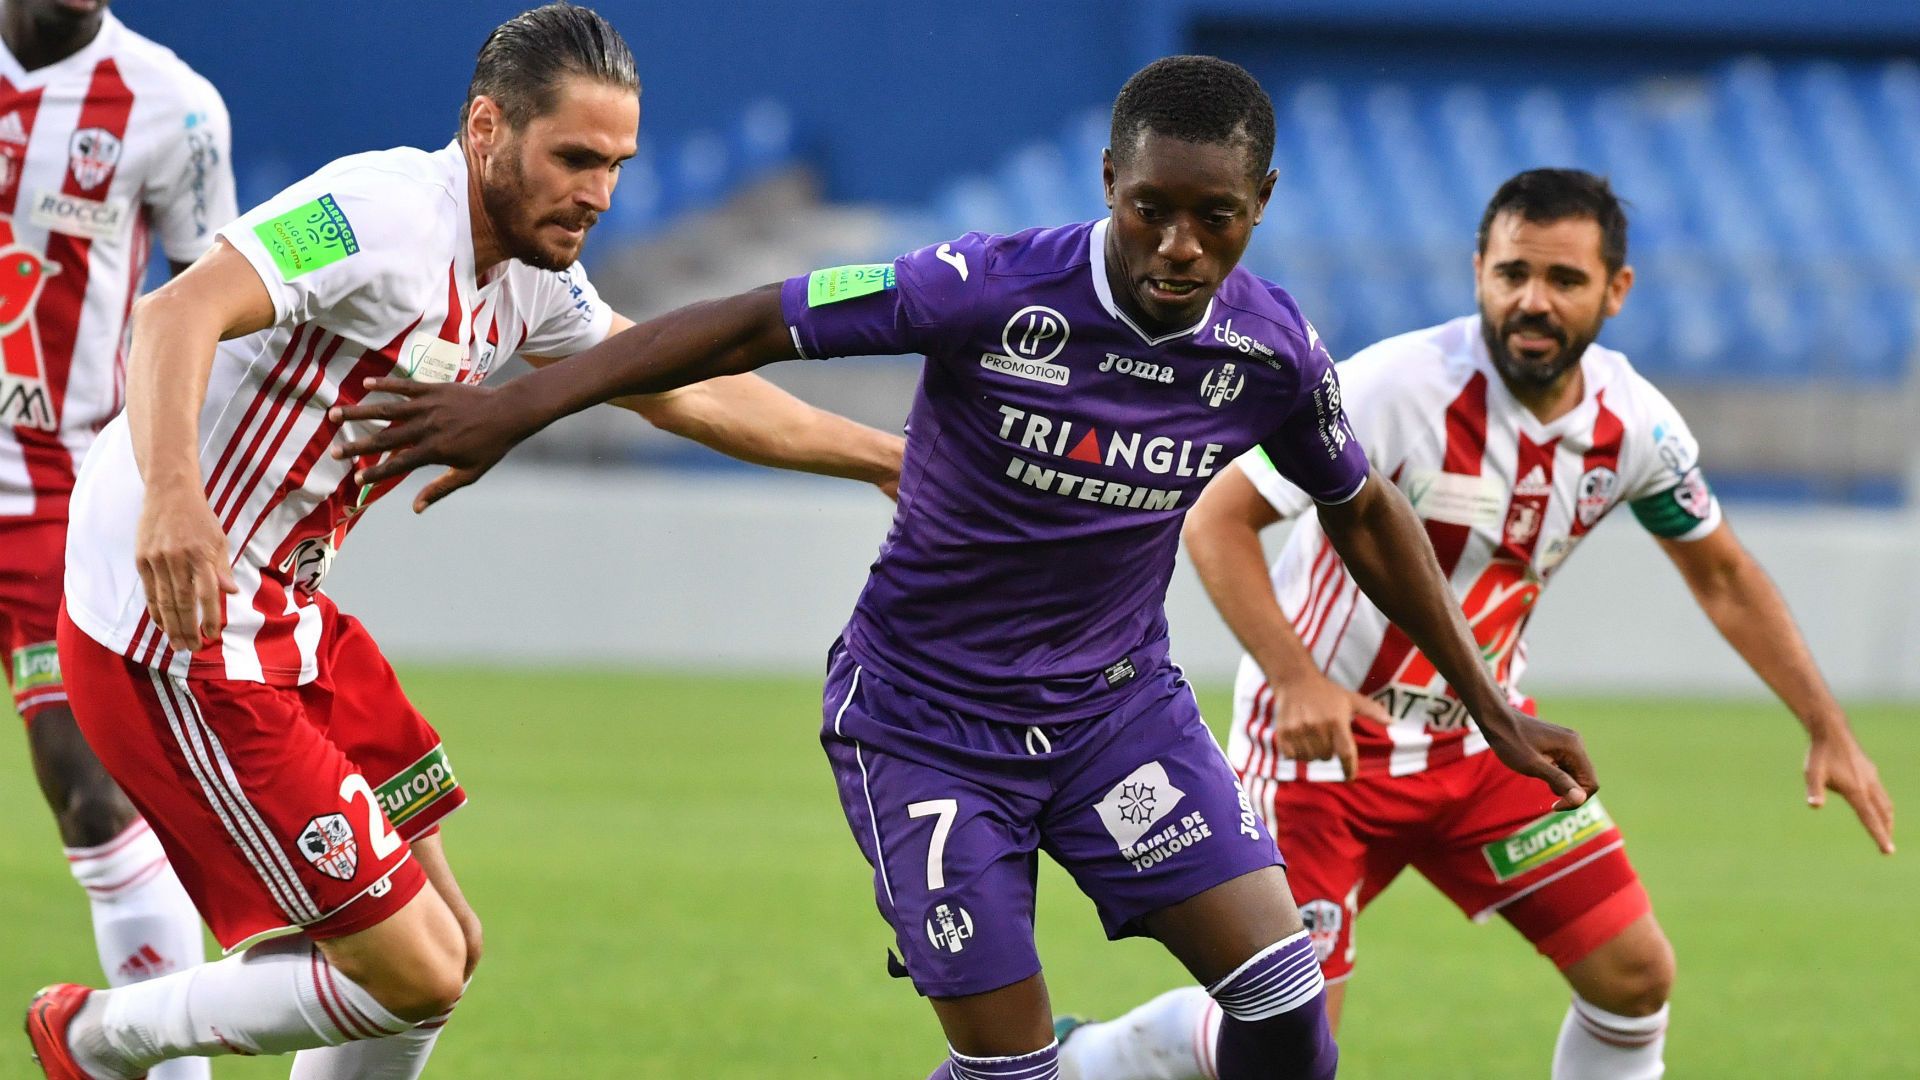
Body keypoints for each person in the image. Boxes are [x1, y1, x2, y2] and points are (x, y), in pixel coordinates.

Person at [314, 58, 1603, 1080]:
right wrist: (519, 406)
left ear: (1258, 209)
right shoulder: (985, 288)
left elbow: (1362, 510)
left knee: (1289, 1021)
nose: (1177, 247)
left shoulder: (1270, 356)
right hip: (924, 730)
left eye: (1216, 219)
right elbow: (752, 318)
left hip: (1117, 719)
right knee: (1008, 1076)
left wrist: (1492, 709)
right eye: (1151, 208)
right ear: (1110, 181)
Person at [24, 5, 904, 1079]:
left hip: (288, 622)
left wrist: (883, 458)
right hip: (175, 629)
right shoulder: (381, 214)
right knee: (415, 970)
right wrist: (173, 498)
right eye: (574, 158)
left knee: (445, 950)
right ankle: (95, 1039)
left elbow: (674, 387)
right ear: (486, 128)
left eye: (617, 165)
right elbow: (173, 316)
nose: (598, 194)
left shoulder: (533, 275)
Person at [1051, 168, 1896, 1080]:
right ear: (1478, 272)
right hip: (1321, 755)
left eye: (1564, 280)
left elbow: (1724, 575)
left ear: (1616, 290)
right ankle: (1095, 1059)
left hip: (1482, 749)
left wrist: (1827, 725)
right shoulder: (1393, 386)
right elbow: (1221, 514)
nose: (1532, 300)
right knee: (1289, 1049)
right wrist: (1294, 677)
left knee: (1634, 973)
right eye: (1512, 273)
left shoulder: (1636, 425)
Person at [1, 2, 236, 1077]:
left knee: (93, 794)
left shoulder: (173, 108)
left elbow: (216, 309)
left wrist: (186, 491)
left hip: (54, 499)